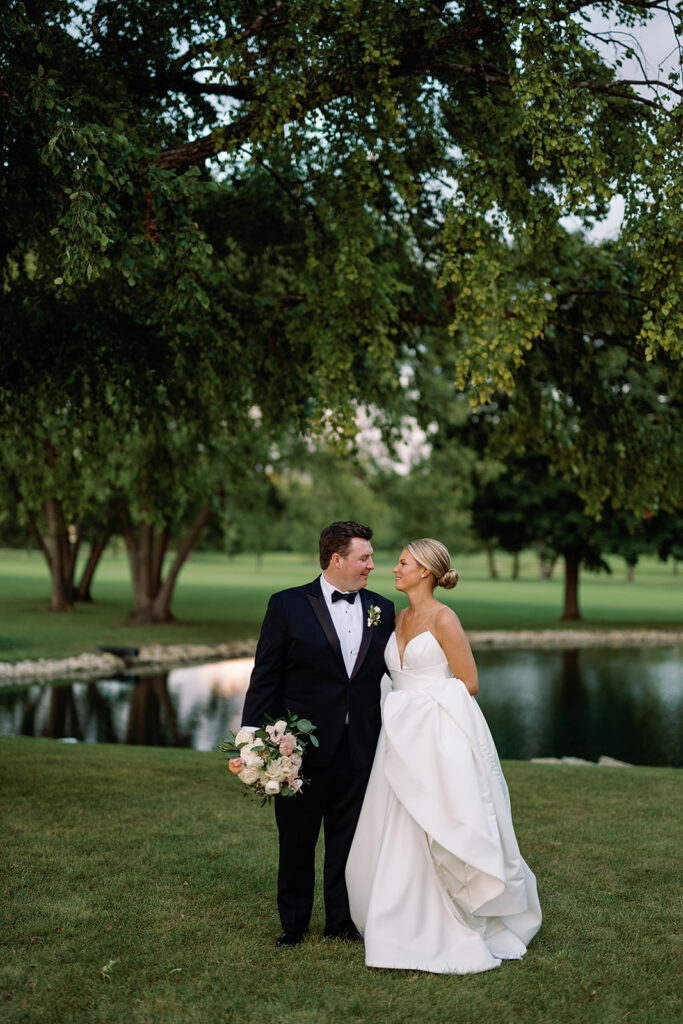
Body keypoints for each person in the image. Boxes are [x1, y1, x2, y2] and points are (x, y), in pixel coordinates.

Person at [346, 538, 542, 974]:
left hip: (434, 737)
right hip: (396, 738)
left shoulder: (444, 618)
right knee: (397, 824)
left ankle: (449, 918)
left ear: (426, 573)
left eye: (402, 563)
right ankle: (395, 914)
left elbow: (468, 682)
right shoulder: (396, 618)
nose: (393, 569)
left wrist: (415, 709)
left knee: (438, 821)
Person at [241, 521, 395, 948]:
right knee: (296, 839)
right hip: (299, 749)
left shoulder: (382, 608)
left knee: (348, 838)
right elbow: (265, 676)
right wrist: (254, 741)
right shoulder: (287, 605)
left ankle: (342, 921)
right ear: (336, 559)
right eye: (364, 558)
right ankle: (293, 924)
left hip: (360, 746)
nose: (372, 565)